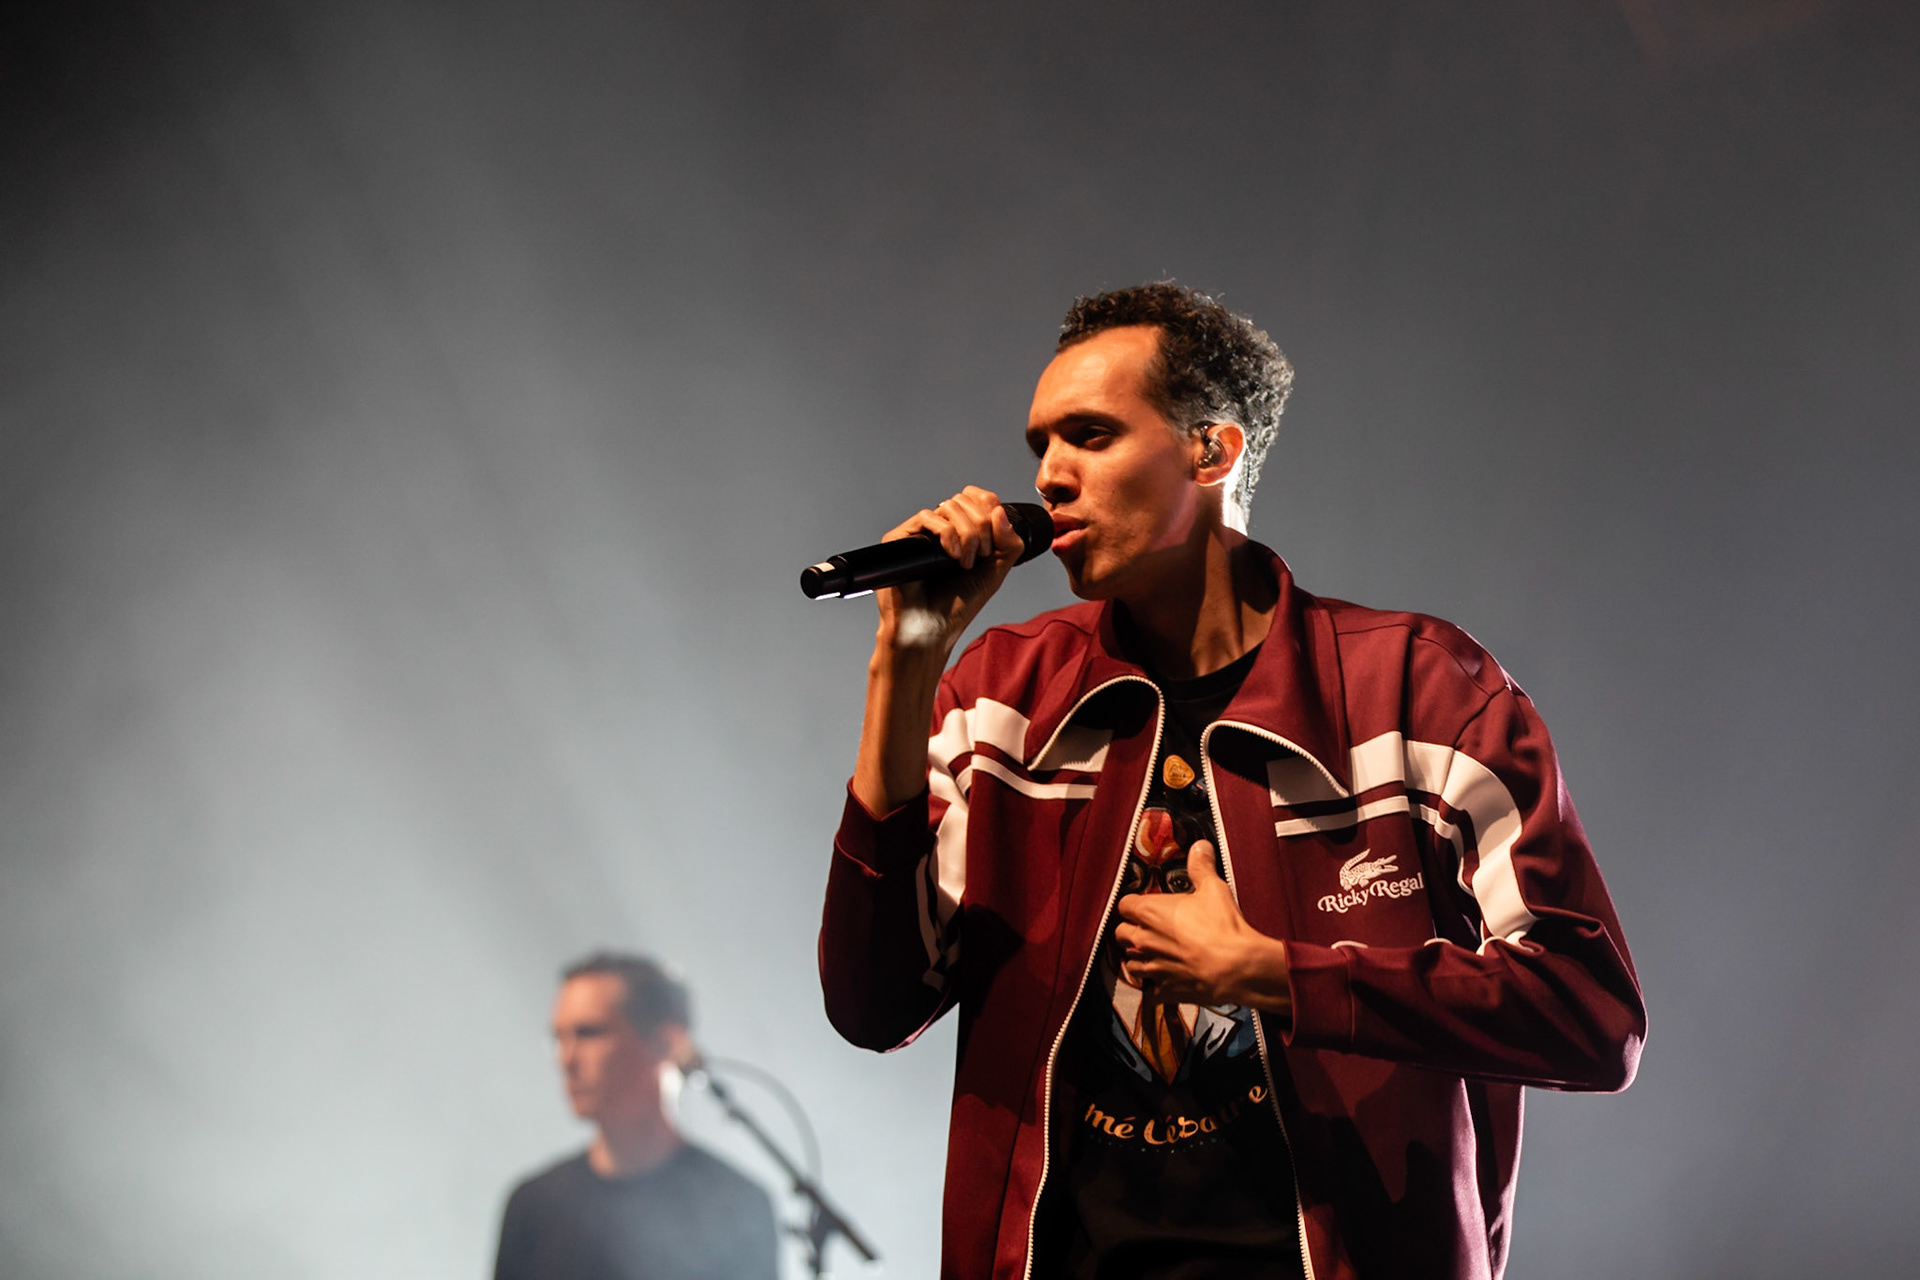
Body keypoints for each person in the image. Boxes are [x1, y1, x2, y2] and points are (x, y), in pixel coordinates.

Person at [818, 282, 1646, 1280]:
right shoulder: (1000, 694)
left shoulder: (1419, 690)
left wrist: (1278, 973)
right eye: (1041, 445)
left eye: (1089, 435)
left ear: (1211, 451)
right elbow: (872, 1003)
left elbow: (1591, 1014)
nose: (1049, 476)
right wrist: (905, 661)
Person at [494, 953, 781, 1280]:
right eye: (559, 1038)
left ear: (665, 1042)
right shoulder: (533, 1206)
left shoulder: (736, 1204)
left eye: (589, 1033)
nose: (566, 1060)